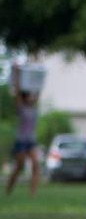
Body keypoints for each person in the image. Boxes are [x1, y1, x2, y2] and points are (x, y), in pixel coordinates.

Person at [5, 64, 41, 196]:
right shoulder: (21, 106)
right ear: (25, 97)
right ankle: (8, 190)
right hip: (21, 140)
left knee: (36, 165)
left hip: (31, 140)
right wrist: (17, 73)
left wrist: (37, 62)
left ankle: (32, 194)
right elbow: (18, 89)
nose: (32, 97)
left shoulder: (34, 107)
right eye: (29, 96)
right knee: (19, 167)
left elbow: (38, 85)